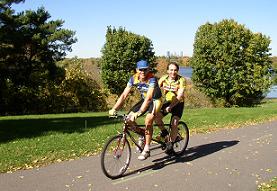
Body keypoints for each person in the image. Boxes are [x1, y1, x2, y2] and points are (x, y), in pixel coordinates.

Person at [108, 60, 163, 160]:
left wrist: (138, 113)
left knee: (148, 120)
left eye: (145, 69)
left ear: (148, 69)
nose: (143, 72)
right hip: (144, 100)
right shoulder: (133, 79)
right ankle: (142, 134)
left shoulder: (152, 79)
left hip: (155, 100)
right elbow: (124, 95)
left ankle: (147, 149)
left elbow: (149, 98)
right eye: (140, 70)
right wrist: (114, 108)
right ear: (137, 70)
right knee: (128, 119)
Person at [155, 62, 186, 154]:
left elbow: (179, 96)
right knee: (156, 117)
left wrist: (170, 107)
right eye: (171, 70)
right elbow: (155, 88)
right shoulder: (164, 78)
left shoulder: (181, 80)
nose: (173, 72)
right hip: (167, 102)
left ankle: (171, 144)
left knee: (174, 123)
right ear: (168, 71)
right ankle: (165, 135)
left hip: (178, 104)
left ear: (177, 71)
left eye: (175, 70)